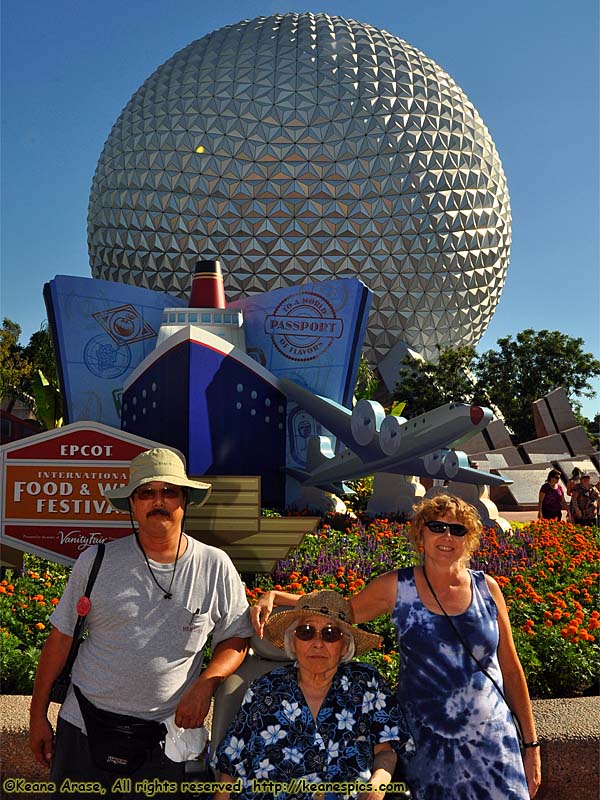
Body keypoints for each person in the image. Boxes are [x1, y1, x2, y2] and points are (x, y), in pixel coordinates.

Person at [252, 495, 541, 800]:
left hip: (494, 743)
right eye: (437, 526)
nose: (447, 536)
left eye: (458, 530)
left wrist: (532, 747)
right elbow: (336, 612)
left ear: (469, 540)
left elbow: (510, 668)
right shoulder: (397, 586)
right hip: (429, 746)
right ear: (421, 534)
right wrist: (277, 595)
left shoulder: (488, 588)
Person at [29, 447, 253, 793]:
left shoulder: (214, 566)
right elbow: (60, 640)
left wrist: (207, 683)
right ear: (132, 504)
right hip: (83, 728)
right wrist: (36, 715)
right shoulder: (97, 561)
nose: (157, 501)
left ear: (185, 500)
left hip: (166, 739)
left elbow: (236, 638)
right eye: (146, 493)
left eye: (169, 492)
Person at [214, 590, 414, 800]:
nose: (317, 643)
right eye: (306, 631)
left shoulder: (366, 684)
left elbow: (386, 748)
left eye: (330, 634)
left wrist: (378, 784)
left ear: (345, 645)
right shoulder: (264, 689)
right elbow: (231, 765)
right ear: (293, 641)